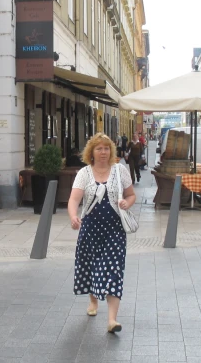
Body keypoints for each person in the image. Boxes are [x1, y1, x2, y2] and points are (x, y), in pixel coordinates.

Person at [67, 132, 136, 333]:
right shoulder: (84, 173)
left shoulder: (120, 171)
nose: (103, 152)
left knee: (113, 270)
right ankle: (93, 302)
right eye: (99, 148)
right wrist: (73, 217)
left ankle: (112, 320)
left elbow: (132, 195)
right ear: (92, 152)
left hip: (114, 231)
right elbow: (73, 200)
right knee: (90, 267)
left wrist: (126, 202)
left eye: (106, 148)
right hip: (90, 229)